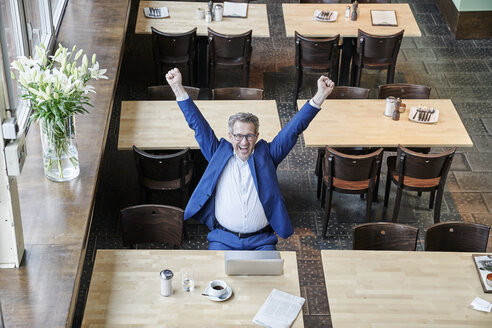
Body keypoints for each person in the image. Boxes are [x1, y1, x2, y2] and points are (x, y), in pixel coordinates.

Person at [166, 68, 334, 250]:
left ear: (257, 136)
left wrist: (320, 96)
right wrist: (177, 88)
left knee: (270, 277)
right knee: (217, 277)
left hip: (261, 241)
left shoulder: (268, 155)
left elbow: (294, 129)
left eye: (249, 136)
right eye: (238, 136)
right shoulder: (218, 153)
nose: (244, 142)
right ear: (230, 136)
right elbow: (197, 125)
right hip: (223, 239)